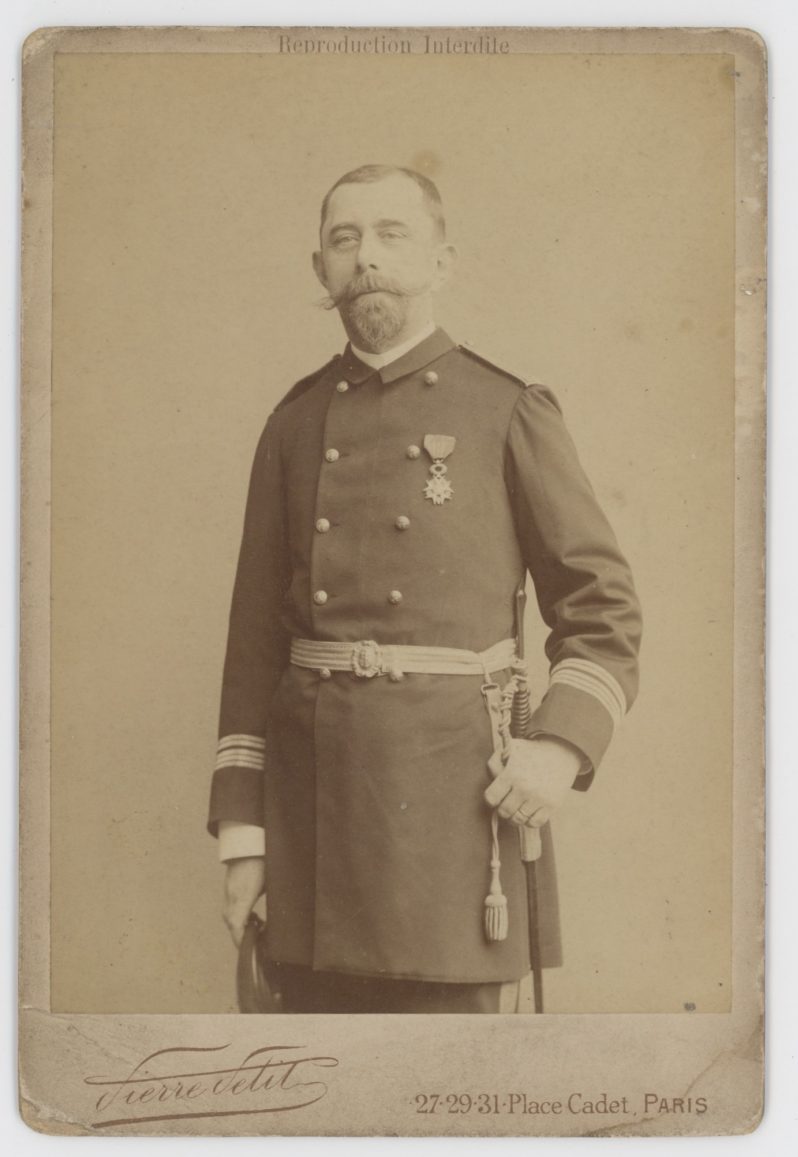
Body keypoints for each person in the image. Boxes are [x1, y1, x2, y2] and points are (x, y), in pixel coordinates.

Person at [207, 164, 642, 1013]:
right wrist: (243, 834)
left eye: (391, 234)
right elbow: (251, 643)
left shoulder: (506, 409)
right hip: (313, 827)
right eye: (345, 239)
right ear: (320, 270)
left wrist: (558, 747)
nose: (366, 257)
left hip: (455, 818)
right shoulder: (293, 424)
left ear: (442, 260)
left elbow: (603, 608)